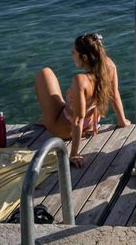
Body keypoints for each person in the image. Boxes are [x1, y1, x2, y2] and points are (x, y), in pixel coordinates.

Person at [35, 32, 129, 166]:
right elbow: (114, 94)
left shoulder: (81, 81)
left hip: (65, 129)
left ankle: (46, 121)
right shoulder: (109, 66)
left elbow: (78, 119)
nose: (72, 55)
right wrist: (122, 121)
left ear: (84, 57)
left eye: (74, 53)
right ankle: (45, 120)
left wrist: (74, 153)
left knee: (44, 73)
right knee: (59, 101)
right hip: (91, 124)